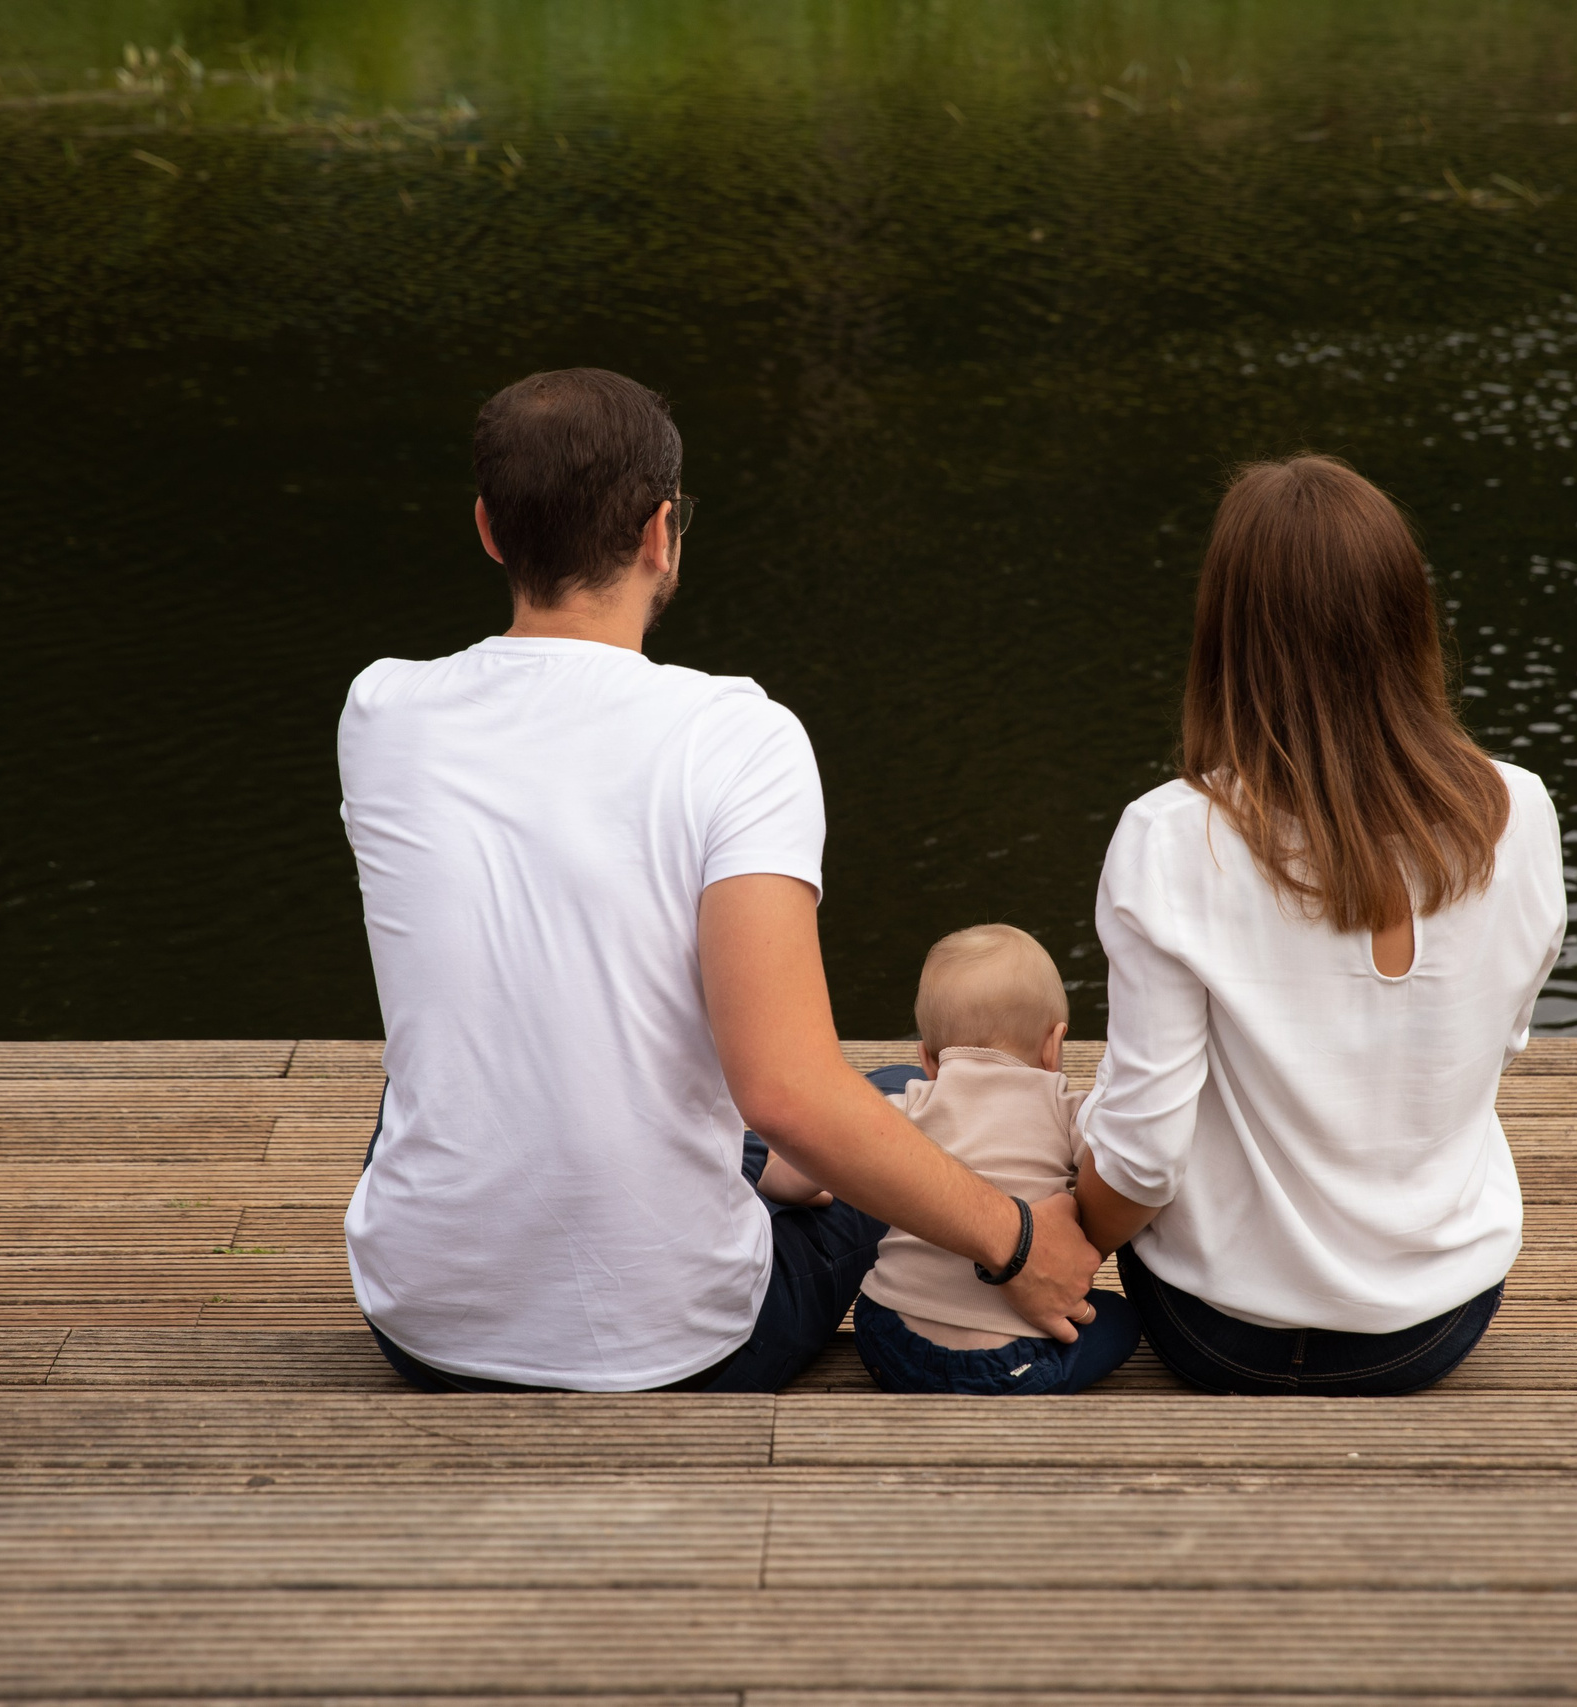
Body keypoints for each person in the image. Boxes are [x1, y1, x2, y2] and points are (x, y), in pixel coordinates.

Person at [338, 368, 1101, 1394]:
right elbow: (785, 1092)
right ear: (661, 532)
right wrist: (1014, 1239)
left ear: (488, 529)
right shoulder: (738, 737)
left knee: (456, 1050)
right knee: (891, 1103)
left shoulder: (381, 714)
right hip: (688, 1343)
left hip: (425, 1324)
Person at [1072, 454, 1566, 1396]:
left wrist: (1053, 1243)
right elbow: (1493, 1046)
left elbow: (1141, 1157)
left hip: (1213, 1332)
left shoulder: (1173, 837)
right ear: (1407, 620)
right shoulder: (1521, 812)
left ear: (1227, 634)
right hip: (1435, 1324)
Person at [833, 926, 1143, 1395]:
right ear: (1053, 1046)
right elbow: (1124, 1166)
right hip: (1006, 1363)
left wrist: (793, 1183)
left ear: (927, 1059)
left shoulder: (912, 1103)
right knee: (1120, 1320)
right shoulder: (1067, 1110)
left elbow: (797, 1168)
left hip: (887, 1340)